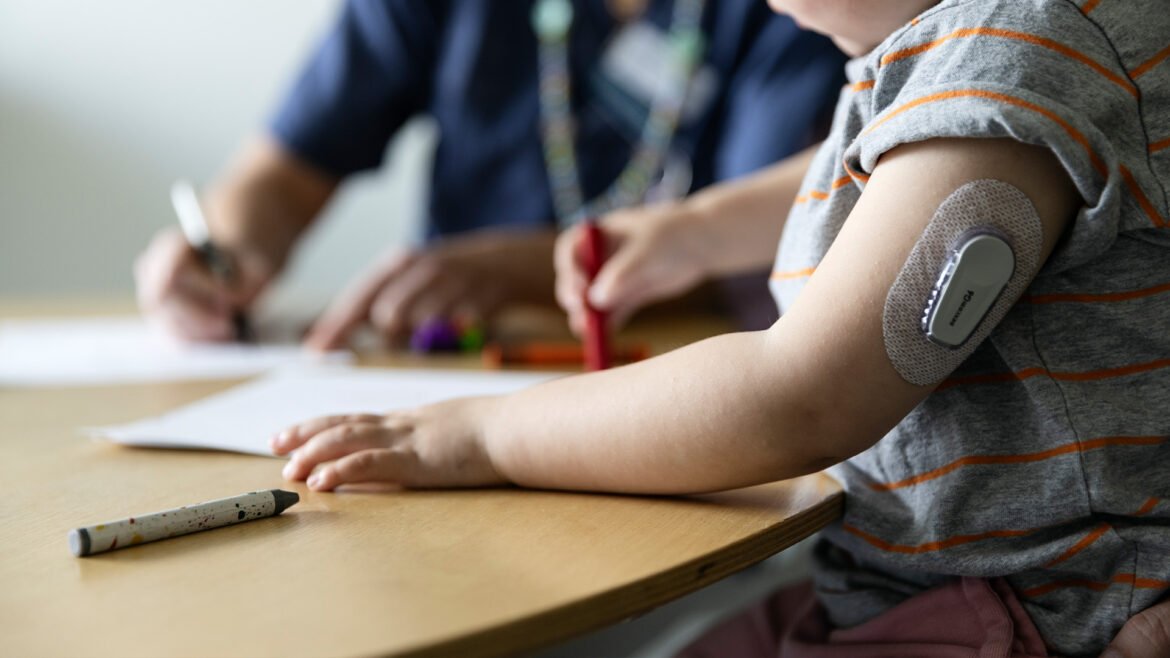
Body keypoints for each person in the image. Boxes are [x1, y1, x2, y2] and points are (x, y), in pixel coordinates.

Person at [270, 0, 1170, 654]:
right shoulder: (996, 45)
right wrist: (693, 230)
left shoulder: (1021, 60)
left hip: (1031, 610)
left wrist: (477, 436)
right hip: (925, 584)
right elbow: (900, 167)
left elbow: (799, 397)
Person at [133, 0, 845, 347]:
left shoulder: (805, 9)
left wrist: (519, 272)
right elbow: (286, 170)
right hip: (443, 367)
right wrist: (226, 252)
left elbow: (761, 245)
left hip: (664, 367)